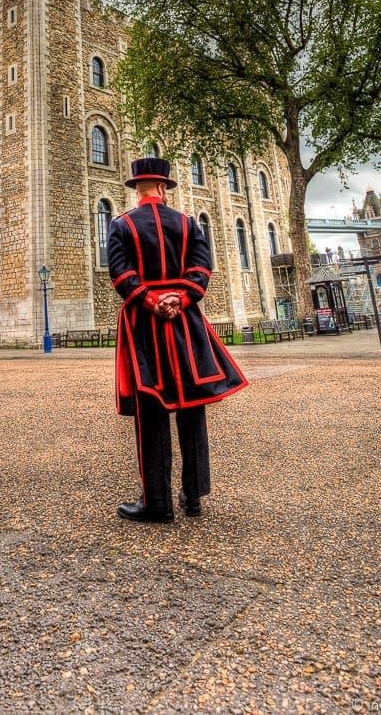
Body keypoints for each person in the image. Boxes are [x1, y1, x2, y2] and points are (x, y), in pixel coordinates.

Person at [108, 157, 248, 523]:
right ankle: (194, 496)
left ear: (138, 188)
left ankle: (157, 502)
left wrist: (153, 300)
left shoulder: (121, 225)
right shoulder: (187, 223)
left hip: (145, 325)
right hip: (185, 325)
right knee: (191, 406)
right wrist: (181, 298)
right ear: (162, 188)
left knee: (151, 412)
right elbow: (201, 269)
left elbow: (121, 275)